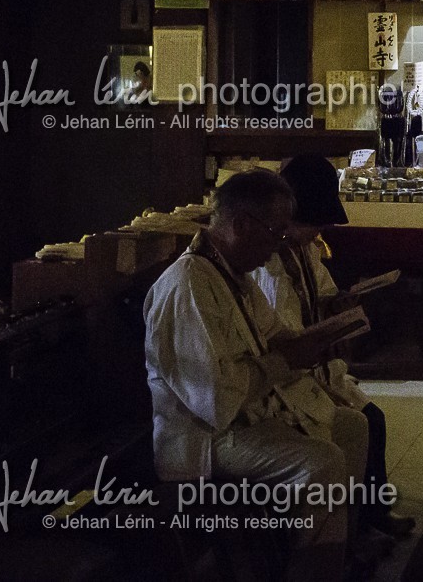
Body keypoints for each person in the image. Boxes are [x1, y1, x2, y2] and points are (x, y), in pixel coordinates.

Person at [143, 169, 369, 582]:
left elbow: (277, 336)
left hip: (243, 418)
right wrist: (286, 360)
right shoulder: (188, 284)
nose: (280, 244)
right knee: (322, 464)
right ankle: (309, 570)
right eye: (275, 231)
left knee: (352, 426)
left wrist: (317, 337)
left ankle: (337, 556)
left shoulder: (234, 275)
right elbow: (213, 397)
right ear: (241, 225)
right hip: (204, 437)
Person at [256, 155, 415, 539]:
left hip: (315, 366)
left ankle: (367, 511)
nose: (317, 234)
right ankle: (358, 519)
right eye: (314, 225)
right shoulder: (267, 263)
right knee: (364, 422)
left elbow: (322, 293)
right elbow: (283, 332)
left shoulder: (304, 250)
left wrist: (340, 302)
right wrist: (326, 327)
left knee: (370, 418)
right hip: (291, 377)